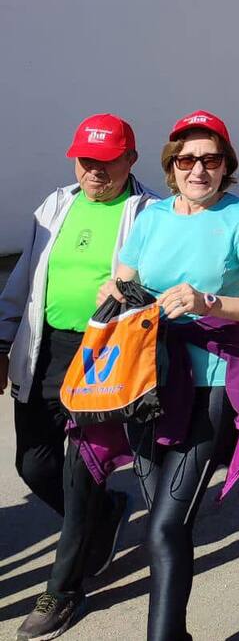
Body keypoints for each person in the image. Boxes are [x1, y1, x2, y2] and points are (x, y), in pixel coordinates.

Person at [95, 110, 239, 641]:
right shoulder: (152, 217)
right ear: (171, 166)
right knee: (161, 525)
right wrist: (112, 292)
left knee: (165, 526)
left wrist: (210, 302)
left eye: (211, 159)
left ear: (227, 165)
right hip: (146, 382)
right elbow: (123, 284)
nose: (199, 170)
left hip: (210, 383)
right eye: (186, 160)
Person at [0, 115, 155, 640]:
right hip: (44, 349)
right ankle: (105, 512)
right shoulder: (55, 204)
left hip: (103, 357)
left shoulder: (149, 213)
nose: (94, 171)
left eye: (106, 161)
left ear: (130, 159)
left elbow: (161, 287)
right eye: (86, 160)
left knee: (79, 473)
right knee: (33, 464)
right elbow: (26, 276)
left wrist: (133, 295)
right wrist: (2, 341)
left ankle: (63, 590)